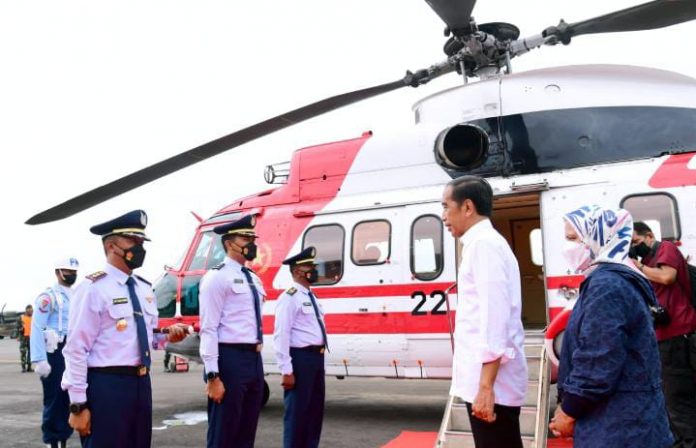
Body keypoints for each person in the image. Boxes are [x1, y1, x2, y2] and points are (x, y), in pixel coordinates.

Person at [61, 210, 187, 448]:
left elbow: (146, 337)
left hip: (141, 385)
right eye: (132, 241)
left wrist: (168, 336)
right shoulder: (92, 288)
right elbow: (76, 349)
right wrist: (78, 404)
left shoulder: (144, 288)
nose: (139, 247)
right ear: (111, 246)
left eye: (141, 241)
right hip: (107, 387)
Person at [549, 205, 673, 447]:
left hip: (618, 426)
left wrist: (569, 409)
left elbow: (598, 359)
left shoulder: (606, 285)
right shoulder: (615, 278)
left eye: (574, 238)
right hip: (628, 420)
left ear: (598, 239)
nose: (568, 246)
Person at [440, 175, 527, 448]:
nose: (443, 216)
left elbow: (494, 318)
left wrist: (486, 387)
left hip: (492, 385)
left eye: (446, 206)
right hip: (487, 381)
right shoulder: (483, 243)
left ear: (467, 207)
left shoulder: (484, 245)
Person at [199, 214, 266, 448]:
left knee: (246, 432)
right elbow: (208, 329)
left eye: (252, 238)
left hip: (254, 359)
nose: (251, 244)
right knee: (223, 433)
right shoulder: (216, 277)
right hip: (230, 359)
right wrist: (212, 375)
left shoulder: (254, 279)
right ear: (229, 243)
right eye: (245, 238)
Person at [631, 221, 696, 447]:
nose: (634, 247)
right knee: (670, 398)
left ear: (649, 236)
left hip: (678, 334)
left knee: (678, 400)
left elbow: (667, 276)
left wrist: (637, 267)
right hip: (663, 336)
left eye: (636, 242)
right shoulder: (648, 261)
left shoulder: (665, 248)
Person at [274, 246, 328, 448]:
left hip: (315, 359)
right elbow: (281, 334)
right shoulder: (289, 297)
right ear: (297, 271)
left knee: (314, 413)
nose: (314, 270)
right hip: (300, 359)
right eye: (309, 267)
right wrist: (286, 369)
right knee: (297, 414)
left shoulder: (311, 296)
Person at [31, 257, 80, 448]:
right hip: (55, 351)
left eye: (74, 272)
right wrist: (40, 359)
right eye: (68, 272)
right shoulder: (48, 296)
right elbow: (37, 327)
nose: (72, 275)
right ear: (58, 272)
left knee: (71, 398)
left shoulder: (77, 294)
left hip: (73, 351)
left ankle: (63, 439)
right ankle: (52, 441)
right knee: (55, 398)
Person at [18, 305, 33, 372]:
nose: (31, 312)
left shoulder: (34, 317)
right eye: (29, 310)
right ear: (26, 310)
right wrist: (19, 332)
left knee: (31, 353)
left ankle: (29, 367)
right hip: (24, 338)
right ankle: (23, 368)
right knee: (23, 352)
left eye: (31, 310)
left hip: (31, 338)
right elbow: (17, 327)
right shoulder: (21, 318)